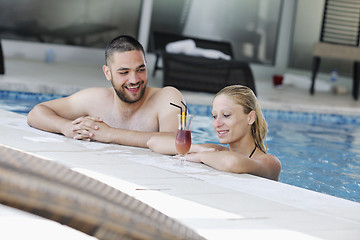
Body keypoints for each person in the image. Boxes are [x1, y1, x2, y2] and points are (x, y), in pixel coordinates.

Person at [27, 35, 185, 148]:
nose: (134, 79)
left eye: (140, 70)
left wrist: (110, 134)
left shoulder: (167, 97)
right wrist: (67, 127)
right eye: (124, 72)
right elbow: (36, 113)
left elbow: (177, 141)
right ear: (107, 73)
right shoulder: (95, 99)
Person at [147, 85, 281, 181]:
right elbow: (154, 142)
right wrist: (195, 148)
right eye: (214, 116)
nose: (217, 124)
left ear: (250, 118)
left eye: (226, 115)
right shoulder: (216, 151)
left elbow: (232, 163)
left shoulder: (270, 162)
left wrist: (200, 156)